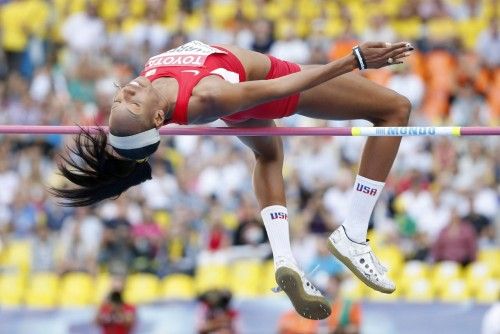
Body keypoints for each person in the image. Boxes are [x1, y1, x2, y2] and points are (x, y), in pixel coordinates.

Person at [52, 39, 414, 320]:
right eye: (131, 105)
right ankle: (352, 233)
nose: (126, 93)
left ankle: (285, 259)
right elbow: (281, 88)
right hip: (270, 82)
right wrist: (355, 61)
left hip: (242, 95)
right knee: (394, 108)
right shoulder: (209, 95)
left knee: (268, 154)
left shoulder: (150, 75)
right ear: (159, 116)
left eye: (118, 101)